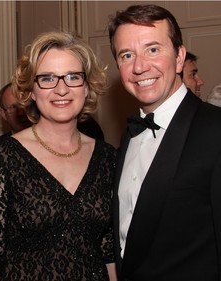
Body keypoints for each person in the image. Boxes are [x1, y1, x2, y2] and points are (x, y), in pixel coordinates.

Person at [0, 31, 117, 281]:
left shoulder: (107, 157)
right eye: (47, 78)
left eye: (73, 77)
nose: (61, 89)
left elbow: (108, 250)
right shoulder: (2, 158)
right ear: (32, 91)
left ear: (87, 87)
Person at [108, 4, 221, 281]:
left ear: (180, 57)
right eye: (127, 55)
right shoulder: (128, 136)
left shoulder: (216, 130)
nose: (139, 66)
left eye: (153, 49)